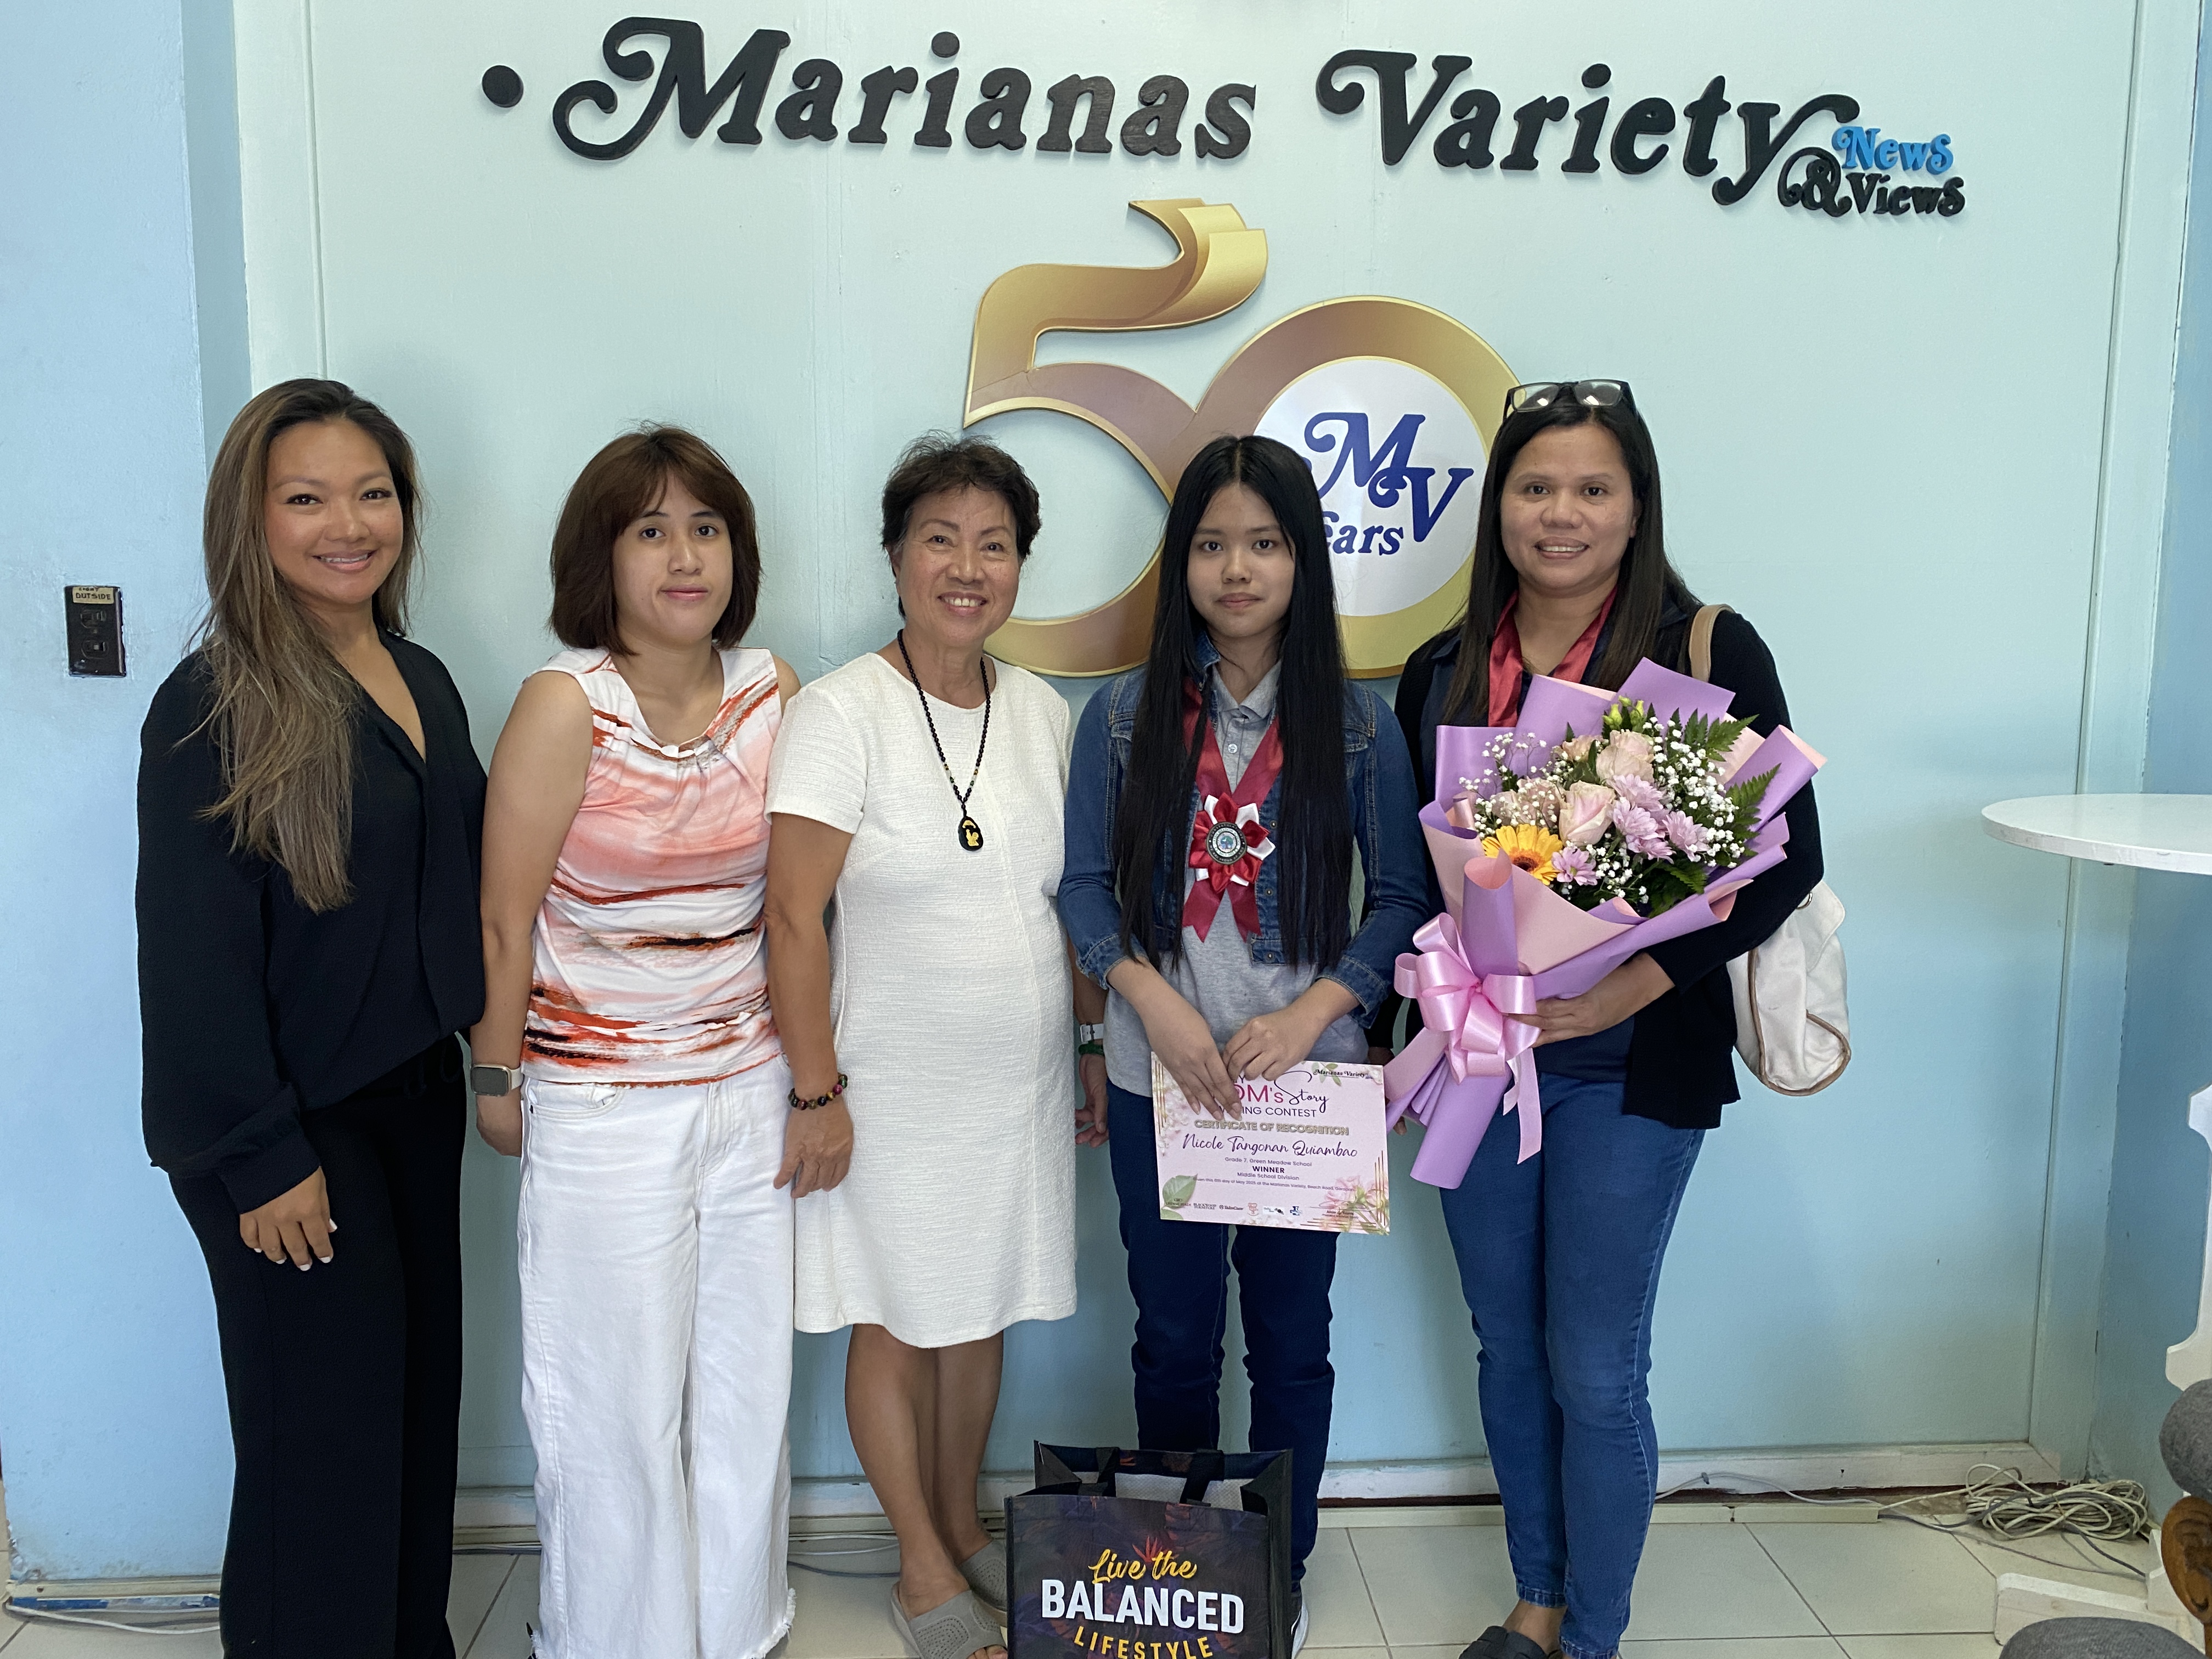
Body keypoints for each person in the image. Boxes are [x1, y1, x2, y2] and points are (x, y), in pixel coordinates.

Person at [1387, 380, 1825, 1659]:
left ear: (1637, 509)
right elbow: (1418, 878)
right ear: (1499, 509)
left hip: (1633, 1065)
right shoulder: (1442, 671)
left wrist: (1630, 986)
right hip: (1485, 1058)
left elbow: (1787, 860)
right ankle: (1536, 1599)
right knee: (1508, 1349)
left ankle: (1594, 1636)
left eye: (1593, 488)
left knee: (1593, 1363)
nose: (1562, 513)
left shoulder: (1702, 653)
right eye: (1536, 487)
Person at [1057, 433, 1430, 1648]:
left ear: (1301, 560)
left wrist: (1318, 1011)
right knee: (1172, 1342)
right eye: (1212, 545)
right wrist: (1149, 1001)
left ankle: (1278, 1567)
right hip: (1158, 1081)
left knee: (1290, 1348)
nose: (1237, 569)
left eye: (1264, 544)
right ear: (1181, 564)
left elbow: (1403, 899)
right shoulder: (1122, 717)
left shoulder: (1359, 725)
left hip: (1302, 1096)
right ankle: (1182, 1573)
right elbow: (1083, 888)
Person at [138, 379, 484, 1658]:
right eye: (307, 499)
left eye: (372, 494)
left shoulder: (420, 676)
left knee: (410, 1426)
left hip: (413, 1103)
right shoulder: (212, 703)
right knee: (318, 1456)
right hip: (287, 1133)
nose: (349, 525)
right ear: (253, 519)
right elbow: (191, 957)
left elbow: (463, 885)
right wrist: (261, 1153)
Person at [764, 433, 1105, 1659]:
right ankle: (917, 1565)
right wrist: (817, 1093)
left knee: (981, 1310)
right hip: (887, 1082)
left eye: (994, 545)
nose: (968, 568)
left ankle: (962, 1523)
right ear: (897, 556)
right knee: (895, 1317)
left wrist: (1088, 1042)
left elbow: (1069, 901)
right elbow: (791, 917)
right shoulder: (838, 712)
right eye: (941, 541)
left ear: (1020, 565)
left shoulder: (1043, 713)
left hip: (1017, 1082)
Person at [469, 426, 798, 1659]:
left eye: (706, 528)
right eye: (650, 530)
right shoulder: (566, 705)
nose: (684, 556)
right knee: (611, 1405)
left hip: (751, 1090)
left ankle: (737, 1632)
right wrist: (496, 1078)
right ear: (599, 557)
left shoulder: (775, 691)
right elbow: (503, 918)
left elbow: (795, 907)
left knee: (744, 1394)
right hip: (603, 1104)